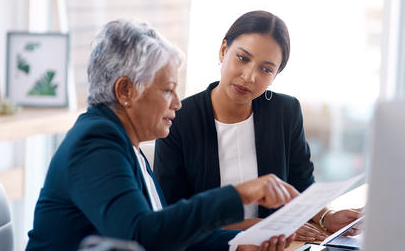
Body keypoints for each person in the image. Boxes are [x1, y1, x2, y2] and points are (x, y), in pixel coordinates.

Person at [25, 19, 299, 251]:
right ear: (126, 92)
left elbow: (164, 231)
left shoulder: (124, 144)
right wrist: (239, 194)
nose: (177, 103)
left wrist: (239, 243)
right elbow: (142, 237)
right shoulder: (95, 143)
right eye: (168, 90)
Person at [153, 10, 362, 242]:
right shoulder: (179, 118)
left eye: (266, 69)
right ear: (223, 50)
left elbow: (301, 186)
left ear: (275, 75)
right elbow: (172, 213)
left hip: (276, 246)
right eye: (243, 58)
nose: (250, 77)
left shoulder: (285, 111)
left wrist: (327, 217)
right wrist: (256, 226)